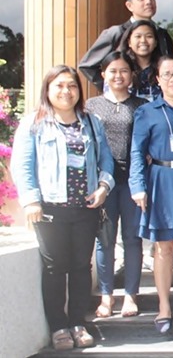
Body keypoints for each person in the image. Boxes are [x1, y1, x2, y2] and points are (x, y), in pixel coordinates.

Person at [12, 65, 114, 351]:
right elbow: (22, 165)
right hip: (49, 209)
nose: (66, 91)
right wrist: (31, 199)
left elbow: (106, 161)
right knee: (55, 268)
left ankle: (78, 323)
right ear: (48, 89)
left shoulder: (91, 122)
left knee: (82, 266)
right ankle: (59, 327)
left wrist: (104, 187)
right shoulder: (34, 123)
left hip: (85, 208)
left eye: (71, 86)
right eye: (59, 85)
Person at [129, 56, 173, 334]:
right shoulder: (147, 112)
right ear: (157, 79)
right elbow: (136, 151)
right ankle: (163, 307)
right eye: (167, 74)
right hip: (160, 179)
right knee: (164, 247)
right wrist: (138, 186)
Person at [86, 52, 148, 320]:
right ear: (103, 74)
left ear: (131, 74)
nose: (118, 76)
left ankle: (131, 296)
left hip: (132, 180)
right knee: (105, 241)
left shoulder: (141, 105)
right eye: (112, 71)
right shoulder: (91, 106)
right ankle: (106, 296)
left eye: (124, 71)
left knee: (133, 240)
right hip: (103, 183)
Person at [78, 0, 173, 85]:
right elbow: (88, 65)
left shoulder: (162, 34)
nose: (148, 2)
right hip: (125, 98)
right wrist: (112, 87)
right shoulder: (116, 33)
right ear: (129, 6)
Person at [117, 20, 163, 101]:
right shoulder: (119, 68)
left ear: (156, 42)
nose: (143, 41)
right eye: (138, 36)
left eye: (149, 36)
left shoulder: (163, 68)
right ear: (129, 42)